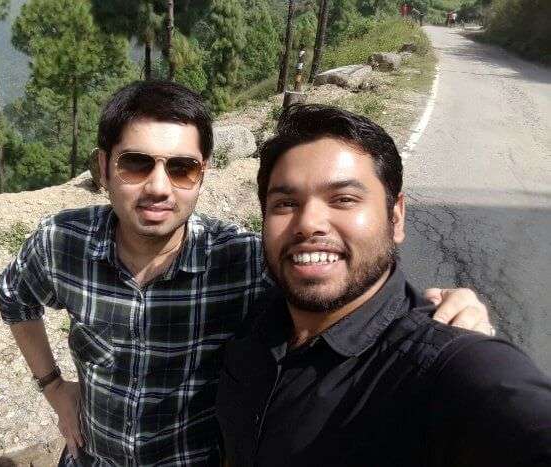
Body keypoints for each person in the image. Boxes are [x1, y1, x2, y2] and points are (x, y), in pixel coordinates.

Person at [0, 81, 493, 466]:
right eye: (136, 164)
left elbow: (345, 296)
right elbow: (15, 298)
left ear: (203, 174)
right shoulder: (63, 242)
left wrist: (438, 313)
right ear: (103, 168)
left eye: (182, 168)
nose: (158, 187)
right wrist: (54, 387)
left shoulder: (243, 261)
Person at [216, 104, 551, 467]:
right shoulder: (257, 318)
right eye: (285, 203)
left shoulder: (443, 366)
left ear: (396, 217)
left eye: (343, 199)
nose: (308, 222)